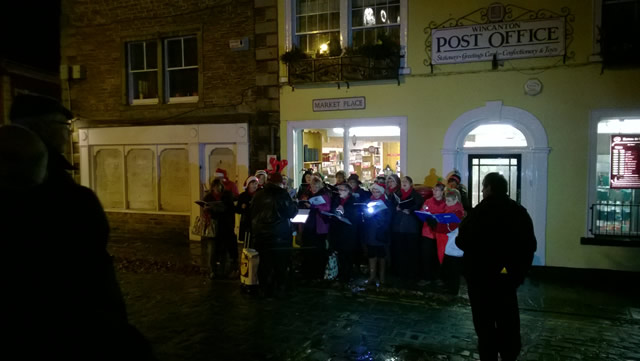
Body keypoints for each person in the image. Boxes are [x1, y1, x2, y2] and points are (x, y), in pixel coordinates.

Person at [4, 94, 155, 360]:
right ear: (47, 128)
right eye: (65, 127)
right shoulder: (68, 199)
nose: (67, 134)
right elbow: (89, 283)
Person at [456, 172, 537, 361]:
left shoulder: (479, 212)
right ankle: (509, 353)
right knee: (507, 318)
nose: (483, 191)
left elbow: (462, 240)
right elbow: (529, 246)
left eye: (484, 187)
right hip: (506, 278)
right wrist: (517, 274)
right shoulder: (518, 211)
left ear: (490, 188)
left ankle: (489, 354)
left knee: (484, 322)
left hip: (480, 278)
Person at [251, 172, 298, 297]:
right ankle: (279, 289)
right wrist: (295, 204)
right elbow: (291, 212)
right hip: (279, 236)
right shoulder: (282, 194)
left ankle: (263, 289)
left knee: (264, 263)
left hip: (261, 236)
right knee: (280, 264)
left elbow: (252, 212)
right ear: (280, 183)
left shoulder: (259, 194)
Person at [389, 176, 423, 281]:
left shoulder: (416, 195)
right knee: (399, 250)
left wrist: (410, 210)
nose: (403, 183)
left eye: (406, 182)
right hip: (398, 227)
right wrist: (396, 208)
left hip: (410, 227)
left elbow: (419, 207)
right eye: (402, 181)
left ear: (411, 184)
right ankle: (400, 272)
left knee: (411, 251)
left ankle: (411, 273)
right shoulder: (396, 195)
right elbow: (390, 207)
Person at [203, 178, 238, 279]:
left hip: (225, 227)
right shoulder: (208, 197)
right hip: (213, 228)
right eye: (215, 186)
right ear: (212, 187)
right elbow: (206, 213)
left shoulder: (227, 196)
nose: (217, 188)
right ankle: (213, 270)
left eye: (219, 186)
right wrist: (207, 209)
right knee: (212, 251)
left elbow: (231, 210)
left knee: (224, 251)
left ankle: (224, 271)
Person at [327, 182, 360, 284]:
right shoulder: (336, 199)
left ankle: (348, 275)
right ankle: (341, 274)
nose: (339, 192)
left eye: (342, 190)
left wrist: (344, 211)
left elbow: (355, 215)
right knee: (340, 254)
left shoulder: (353, 201)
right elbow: (332, 210)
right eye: (339, 190)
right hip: (338, 231)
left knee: (348, 255)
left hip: (348, 232)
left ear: (348, 191)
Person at [300, 176, 331, 279]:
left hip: (319, 227)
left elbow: (326, 208)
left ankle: (318, 274)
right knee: (308, 250)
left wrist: (313, 206)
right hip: (308, 226)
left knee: (318, 251)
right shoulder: (307, 194)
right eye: (313, 185)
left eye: (316, 186)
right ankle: (308, 273)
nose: (314, 188)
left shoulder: (324, 195)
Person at [362, 183, 391, 286]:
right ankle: (372, 276)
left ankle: (382, 277)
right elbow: (363, 215)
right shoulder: (368, 201)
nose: (375, 193)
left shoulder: (387, 203)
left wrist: (377, 216)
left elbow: (389, 218)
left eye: (377, 191)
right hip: (370, 232)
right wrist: (367, 214)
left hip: (381, 232)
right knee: (371, 255)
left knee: (382, 255)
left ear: (382, 192)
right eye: (373, 191)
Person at [420, 182, 446, 284]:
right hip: (427, 233)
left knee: (438, 257)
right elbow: (423, 212)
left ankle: (438, 277)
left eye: (436, 190)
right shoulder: (428, 201)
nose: (433, 192)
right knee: (426, 256)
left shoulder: (445, 203)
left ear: (442, 192)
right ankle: (426, 277)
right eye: (433, 190)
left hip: (440, 234)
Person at [440, 189, 465, 295]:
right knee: (449, 267)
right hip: (449, 242)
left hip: (455, 244)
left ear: (456, 200)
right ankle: (449, 286)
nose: (447, 203)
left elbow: (450, 227)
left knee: (454, 269)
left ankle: (453, 289)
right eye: (446, 200)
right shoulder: (449, 210)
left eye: (449, 201)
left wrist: (440, 225)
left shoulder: (458, 212)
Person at [236, 176, 258, 245]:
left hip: (256, 223)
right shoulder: (243, 196)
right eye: (252, 184)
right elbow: (237, 210)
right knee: (247, 243)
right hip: (246, 223)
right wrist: (242, 207)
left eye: (256, 184)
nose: (254, 186)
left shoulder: (259, 195)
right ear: (248, 185)